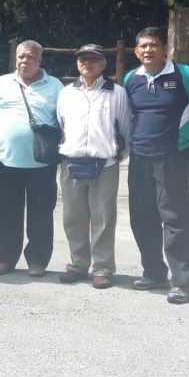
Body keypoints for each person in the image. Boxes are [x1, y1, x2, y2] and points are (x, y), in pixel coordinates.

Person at [123, 27, 189, 304]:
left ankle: (181, 281)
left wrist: (184, 136)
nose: (148, 50)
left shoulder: (185, 75)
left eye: (153, 45)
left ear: (164, 48)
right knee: (142, 215)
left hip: (173, 156)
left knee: (176, 217)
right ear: (136, 51)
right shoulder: (131, 78)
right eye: (143, 46)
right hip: (139, 157)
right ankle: (153, 272)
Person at [0, 40, 64, 277]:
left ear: (40, 60)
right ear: (15, 59)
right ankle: (5, 259)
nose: (25, 61)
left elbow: (65, 119)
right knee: (7, 213)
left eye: (30, 57)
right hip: (6, 161)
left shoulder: (55, 86)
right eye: (21, 57)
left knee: (41, 213)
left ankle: (37, 260)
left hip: (42, 163)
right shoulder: (1, 83)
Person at [56, 45, 131, 289]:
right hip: (71, 164)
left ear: (103, 63)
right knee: (73, 218)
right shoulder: (66, 93)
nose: (86, 62)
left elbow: (125, 130)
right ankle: (78, 265)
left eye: (92, 58)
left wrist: (114, 158)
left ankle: (102, 269)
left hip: (105, 165)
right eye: (82, 58)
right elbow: (61, 124)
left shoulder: (117, 93)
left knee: (104, 219)